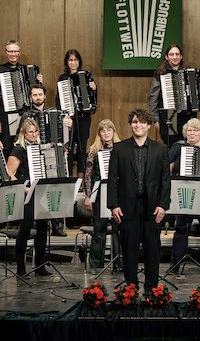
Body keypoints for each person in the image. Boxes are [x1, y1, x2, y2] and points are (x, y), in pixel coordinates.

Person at [107, 108, 171, 295]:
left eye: (142, 122)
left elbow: (165, 180)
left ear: (149, 125)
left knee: (153, 250)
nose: (138, 125)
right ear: (130, 124)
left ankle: (152, 289)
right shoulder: (119, 148)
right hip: (127, 208)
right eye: (135, 122)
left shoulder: (161, 149)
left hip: (153, 208)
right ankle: (131, 289)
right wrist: (113, 205)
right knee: (129, 250)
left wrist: (163, 205)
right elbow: (112, 180)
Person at [20, 84, 72, 236]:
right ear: (31, 97)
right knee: (39, 190)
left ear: (44, 96)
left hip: (53, 156)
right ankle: (37, 224)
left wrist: (68, 126)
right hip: (35, 158)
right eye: (35, 95)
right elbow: (20, 136)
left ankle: (57, 225)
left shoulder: (56, 113)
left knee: (55, 189)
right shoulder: (26, 115)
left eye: (40, 94)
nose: (38, 97)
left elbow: (65, 137)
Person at [168, 118, 200, 273]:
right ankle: (175, 263)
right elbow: (167, 164)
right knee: (181, 228)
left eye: (195, 130)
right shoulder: (178, 147)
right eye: (189, 130)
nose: (192, 133)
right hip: (184, 191)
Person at [6, 118, 52, 278]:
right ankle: (21, 267)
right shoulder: (18, 150)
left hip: (40, 192)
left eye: (35, 131)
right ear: (23, 133)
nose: (33, 134)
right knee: (25, 229)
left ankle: (40, 265)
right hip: (25, 193)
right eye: (30, 132)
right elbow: (9, 173)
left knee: (42, 228)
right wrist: (23, 188)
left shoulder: (39, 148)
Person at [0, 40, 43, 158]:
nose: (13, 54)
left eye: (15, 51)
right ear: (6, 52)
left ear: (19, 53)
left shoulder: (27, 69)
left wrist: (39, 82)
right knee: (8, 146)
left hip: (24, 114)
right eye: (10, 51)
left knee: (24, 144)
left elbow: (35, 93)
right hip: (6, 115)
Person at [82, 119, 122, 274]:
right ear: (99, 133)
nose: (106, 133)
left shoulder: (121, 148)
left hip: (117, 193)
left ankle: (119, 263)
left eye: (109, 130)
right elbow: (88, 175)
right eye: (103, 131)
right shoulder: (94, 150)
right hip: (99, 193)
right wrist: (88, 196)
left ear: (113, 132)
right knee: (99, 228)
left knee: (119, 228)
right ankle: (95, 264)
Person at [148, 45, 200, 147]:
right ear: (166, 57)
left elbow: (196, 94)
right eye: (171, 54)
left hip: (187, 116)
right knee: (171, 146)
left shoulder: (189, 71)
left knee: (188, 145)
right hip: (169, 116)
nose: (175, 57)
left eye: (177, 54)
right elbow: (153, 98)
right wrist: (156, 120)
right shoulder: (161, 73)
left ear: (181, 56)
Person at [57, 49, 97, 179]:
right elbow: (58, 99)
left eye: (75, 60)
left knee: (81, 147)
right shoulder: (63, 78)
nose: (73, 63)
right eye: (70, 60)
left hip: (83, 118)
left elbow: (92, 100)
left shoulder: (86, 75)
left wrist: (94, 89)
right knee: (68, 147)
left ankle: (80, 179)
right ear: (66, 62)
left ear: (79, 61)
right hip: (69, 118)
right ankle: (68, 177)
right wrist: (64, 115)